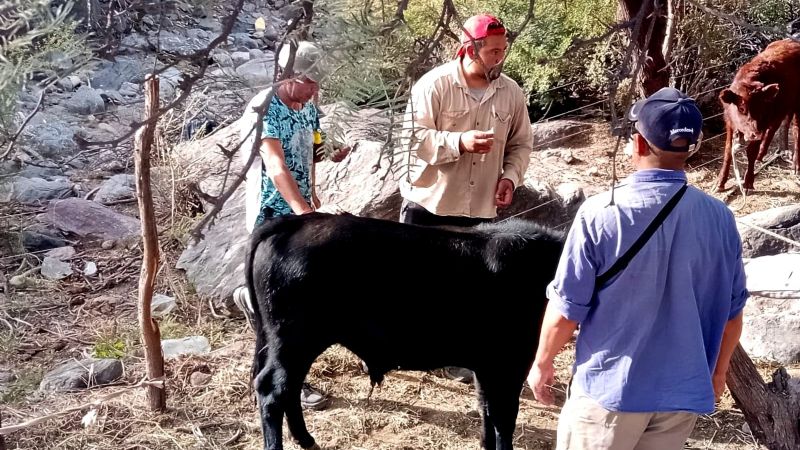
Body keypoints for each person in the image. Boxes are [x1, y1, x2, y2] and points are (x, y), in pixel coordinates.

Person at [527, 87, 748, 449]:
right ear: (690, 147)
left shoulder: (601, 212)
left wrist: (542, 362)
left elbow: (567, 309)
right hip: (680, 396)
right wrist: (717, 372)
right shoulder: (721, 218)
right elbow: (732, 315)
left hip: (611, 392)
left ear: (640, 144)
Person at [399, 13, 534, 383]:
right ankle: (405, 349)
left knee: (468, 287)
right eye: (492, 51)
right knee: (416, 283)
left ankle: (456, 356)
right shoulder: (434, 85)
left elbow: (522, 144)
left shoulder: (511, 92)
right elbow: (412, 139)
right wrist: (459, 142)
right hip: (430, 204)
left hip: (479, 209)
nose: (499, 58)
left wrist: (510, 176)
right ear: (469, 48)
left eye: (503, 51)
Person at [231, 40, 349, 411]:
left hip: (302, 207)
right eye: (310, 82)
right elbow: (275, 164)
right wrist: (303, 211)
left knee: (300, 295)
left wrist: (330, 157)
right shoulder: (264, 108)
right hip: (272, 213)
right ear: (288, 75)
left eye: (318, 83)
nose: (315, 89)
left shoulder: (307, 105)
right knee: (281, 302)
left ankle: (253, 303)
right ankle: (285, 379)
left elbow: (312, 150)